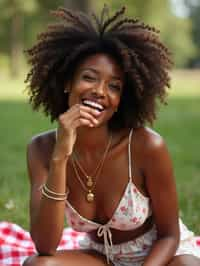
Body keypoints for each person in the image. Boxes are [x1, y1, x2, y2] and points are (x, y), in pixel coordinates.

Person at [23, 5, 200, 266]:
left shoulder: (146, 146)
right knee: (38, 265)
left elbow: (169, 236)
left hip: (162, 257)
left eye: (114, 86)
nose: (100, 91)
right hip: (103, 257)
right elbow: (45, 245)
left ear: (121, 99)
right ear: (66, 82)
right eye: (89, 78)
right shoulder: (40, 149)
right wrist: (60, 156)